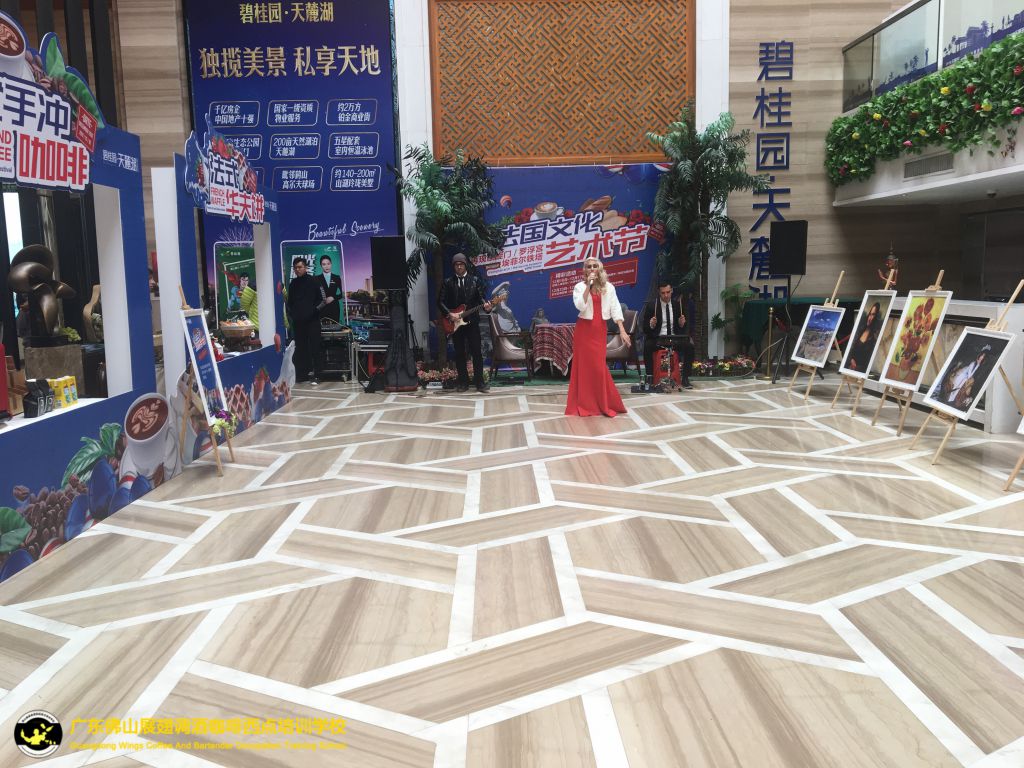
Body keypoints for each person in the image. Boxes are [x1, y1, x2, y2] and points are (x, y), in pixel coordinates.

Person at [565, 257, 629, 417]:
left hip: (599, 330)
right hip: (584, 330)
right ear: (585, 270)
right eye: (589, 267)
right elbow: (580, 306)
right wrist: (589, 286)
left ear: (600, 269)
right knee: (584, 368)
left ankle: (604, 403)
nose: (592, 268)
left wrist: (622, 330)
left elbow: (615, 308)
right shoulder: (579, 287)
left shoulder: (609, 287)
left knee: (599, 367)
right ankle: (586, 404)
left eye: (595, 266)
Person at [437, 253, 491, 393]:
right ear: (454, 266)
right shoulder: (448, 282)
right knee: (459, 353)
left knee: (477, 352)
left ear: (465, 265)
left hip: (472, 322)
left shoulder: (475, 280)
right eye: (456, 265)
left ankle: (480, 383)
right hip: (456, 323)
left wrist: (487, 306)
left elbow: (481, 298)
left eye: (461, 264)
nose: (459, 267)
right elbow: (440, 302)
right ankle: (463, 382)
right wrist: (449, 314)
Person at [642, 281, 694, 389]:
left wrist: (681, 324)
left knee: (689, 346)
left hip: (674, 339)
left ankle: (685, 378)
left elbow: (684, 328)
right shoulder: (652, 306)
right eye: (663, 293)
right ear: (659, 293)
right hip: (658, 339)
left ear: (672, 291)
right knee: (647, 346)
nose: (666, 295)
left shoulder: (678, 305)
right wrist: (651, 325)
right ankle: (650, 377)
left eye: (668, 292)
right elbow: (645, 329)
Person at [286, 257, 330, 385]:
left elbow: (323, 300)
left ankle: (318, 375)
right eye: (295, 268)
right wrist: (293, 314)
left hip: (313, 321)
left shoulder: (314, 281)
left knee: (315, 347)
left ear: (305, 267)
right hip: (298, 322)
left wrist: (313, 311)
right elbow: (290, 302)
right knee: (300, 348)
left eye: (300, 267)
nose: (297, 269)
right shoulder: (293, 284)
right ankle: (302, 375)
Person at [846, 301, 882, 372]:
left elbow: (868, 360)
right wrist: (851, 360)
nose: (870, 318)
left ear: (876, 317)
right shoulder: (861, 330)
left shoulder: (875, 336)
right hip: (850, 367)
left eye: (873, 315)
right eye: (870, 314)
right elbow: (849, 348)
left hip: (861, 370)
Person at [317, 255, 344, 323]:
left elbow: (342, 294)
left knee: (335, 327)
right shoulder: (316, 278)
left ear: (331, 264)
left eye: (328, 264)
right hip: (322, 308)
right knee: (322, 328)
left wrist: (333, 297)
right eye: (324, 264)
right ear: (321, 266)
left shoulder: (337, 278)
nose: (326, 266)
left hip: (334, 308)